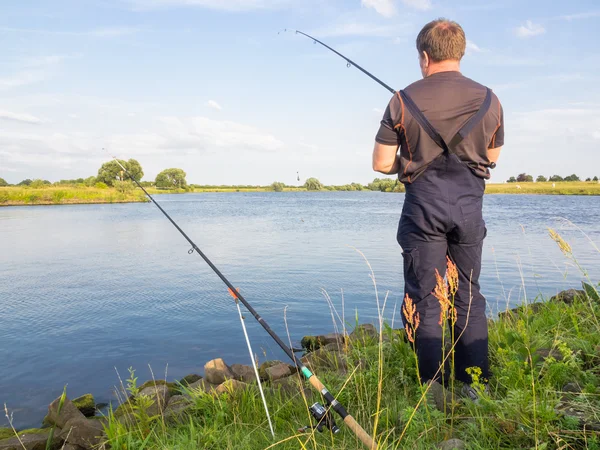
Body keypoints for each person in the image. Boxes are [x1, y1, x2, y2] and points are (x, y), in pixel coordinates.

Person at [371, 19, 504, 398]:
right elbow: (490, 157)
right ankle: (473, 385)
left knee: (425, 298)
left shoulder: (402, 99)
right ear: (460, 53)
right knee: (468, 295)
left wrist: (411, 165)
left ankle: (432, 389)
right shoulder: (490, 99)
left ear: (425, 57)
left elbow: (381, 163)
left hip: (422, 210)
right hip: (468, 209)